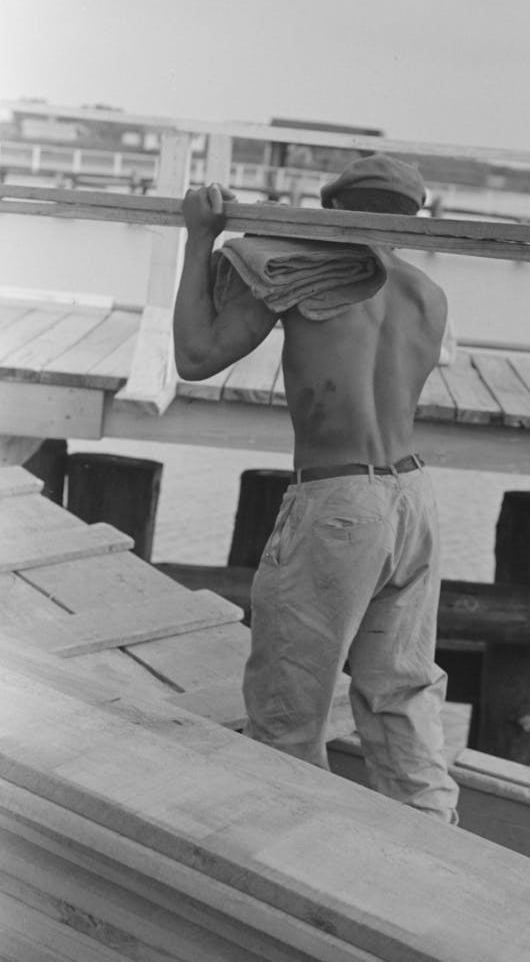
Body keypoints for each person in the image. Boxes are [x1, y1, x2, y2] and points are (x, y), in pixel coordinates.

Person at [173, 155, 460, 824]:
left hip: (339, 506)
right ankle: (435, 861)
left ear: (330, 211)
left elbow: (193, 357)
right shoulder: (427, 294)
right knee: (402, 695)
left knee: (287, 714)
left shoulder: (307, 277)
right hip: (412, 500)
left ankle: (292, 870)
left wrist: (198, 239)